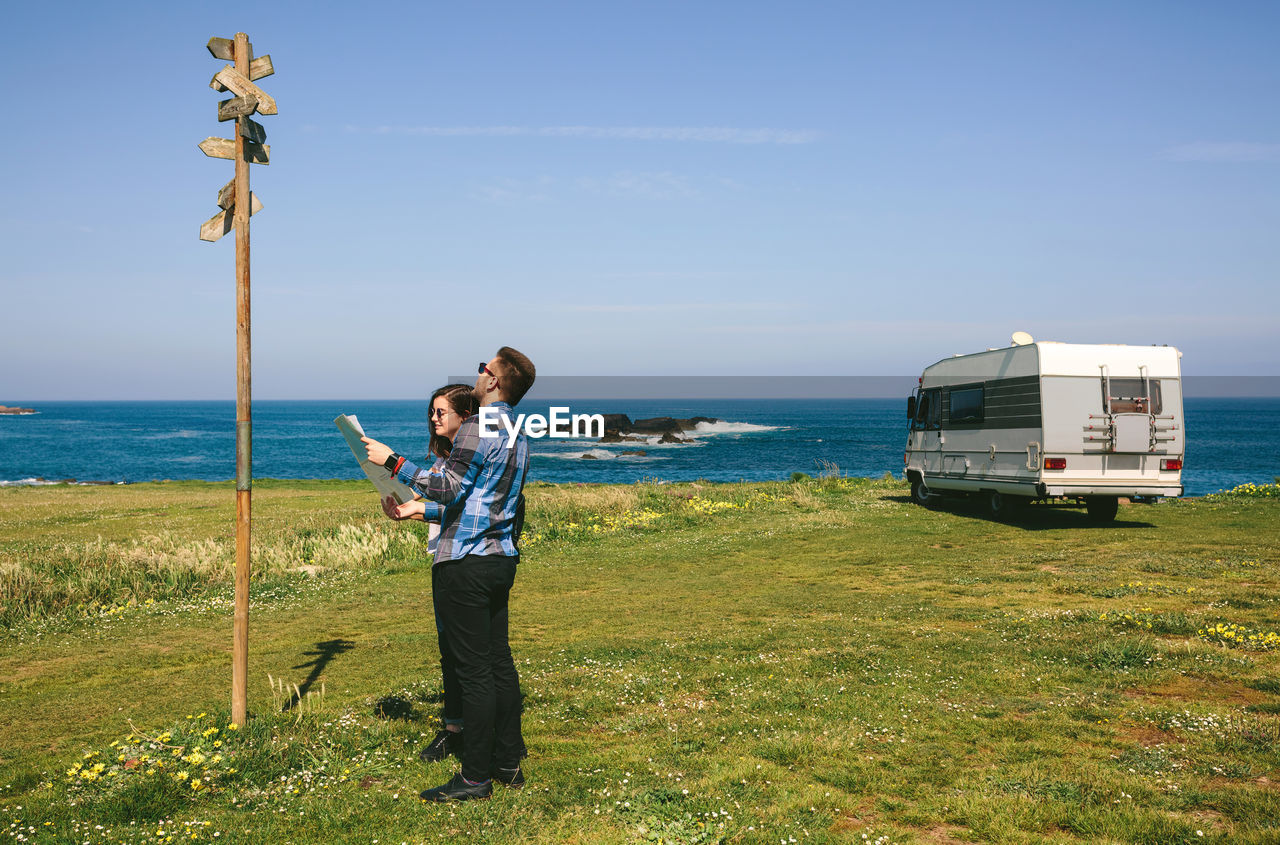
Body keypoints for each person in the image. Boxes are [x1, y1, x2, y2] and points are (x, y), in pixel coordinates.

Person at [363, 346, 536, 802]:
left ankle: (475, 777)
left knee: (474, 672)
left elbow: (448, 485)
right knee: (499, 661)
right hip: (501, 558)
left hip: (466, 562)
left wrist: (393, 462)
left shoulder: (478, 426)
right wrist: (417, 511)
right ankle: (506, 761)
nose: (478, 374)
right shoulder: (518, 433)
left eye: (484, 369)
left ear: (495, 382)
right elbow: (478, 500)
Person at [377, 383, 478, 765]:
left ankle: (468, 730)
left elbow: (455, 504)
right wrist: (409, 511)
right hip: (443, 555)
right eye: (432, 412)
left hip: (463, 559)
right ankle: (456, 727)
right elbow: (437, 505)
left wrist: (396, 464)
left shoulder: (466, 460)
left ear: (464, 416)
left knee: (466, 652)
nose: (434, 418)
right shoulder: (445, 460)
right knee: (449, 650)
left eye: (441, 412)